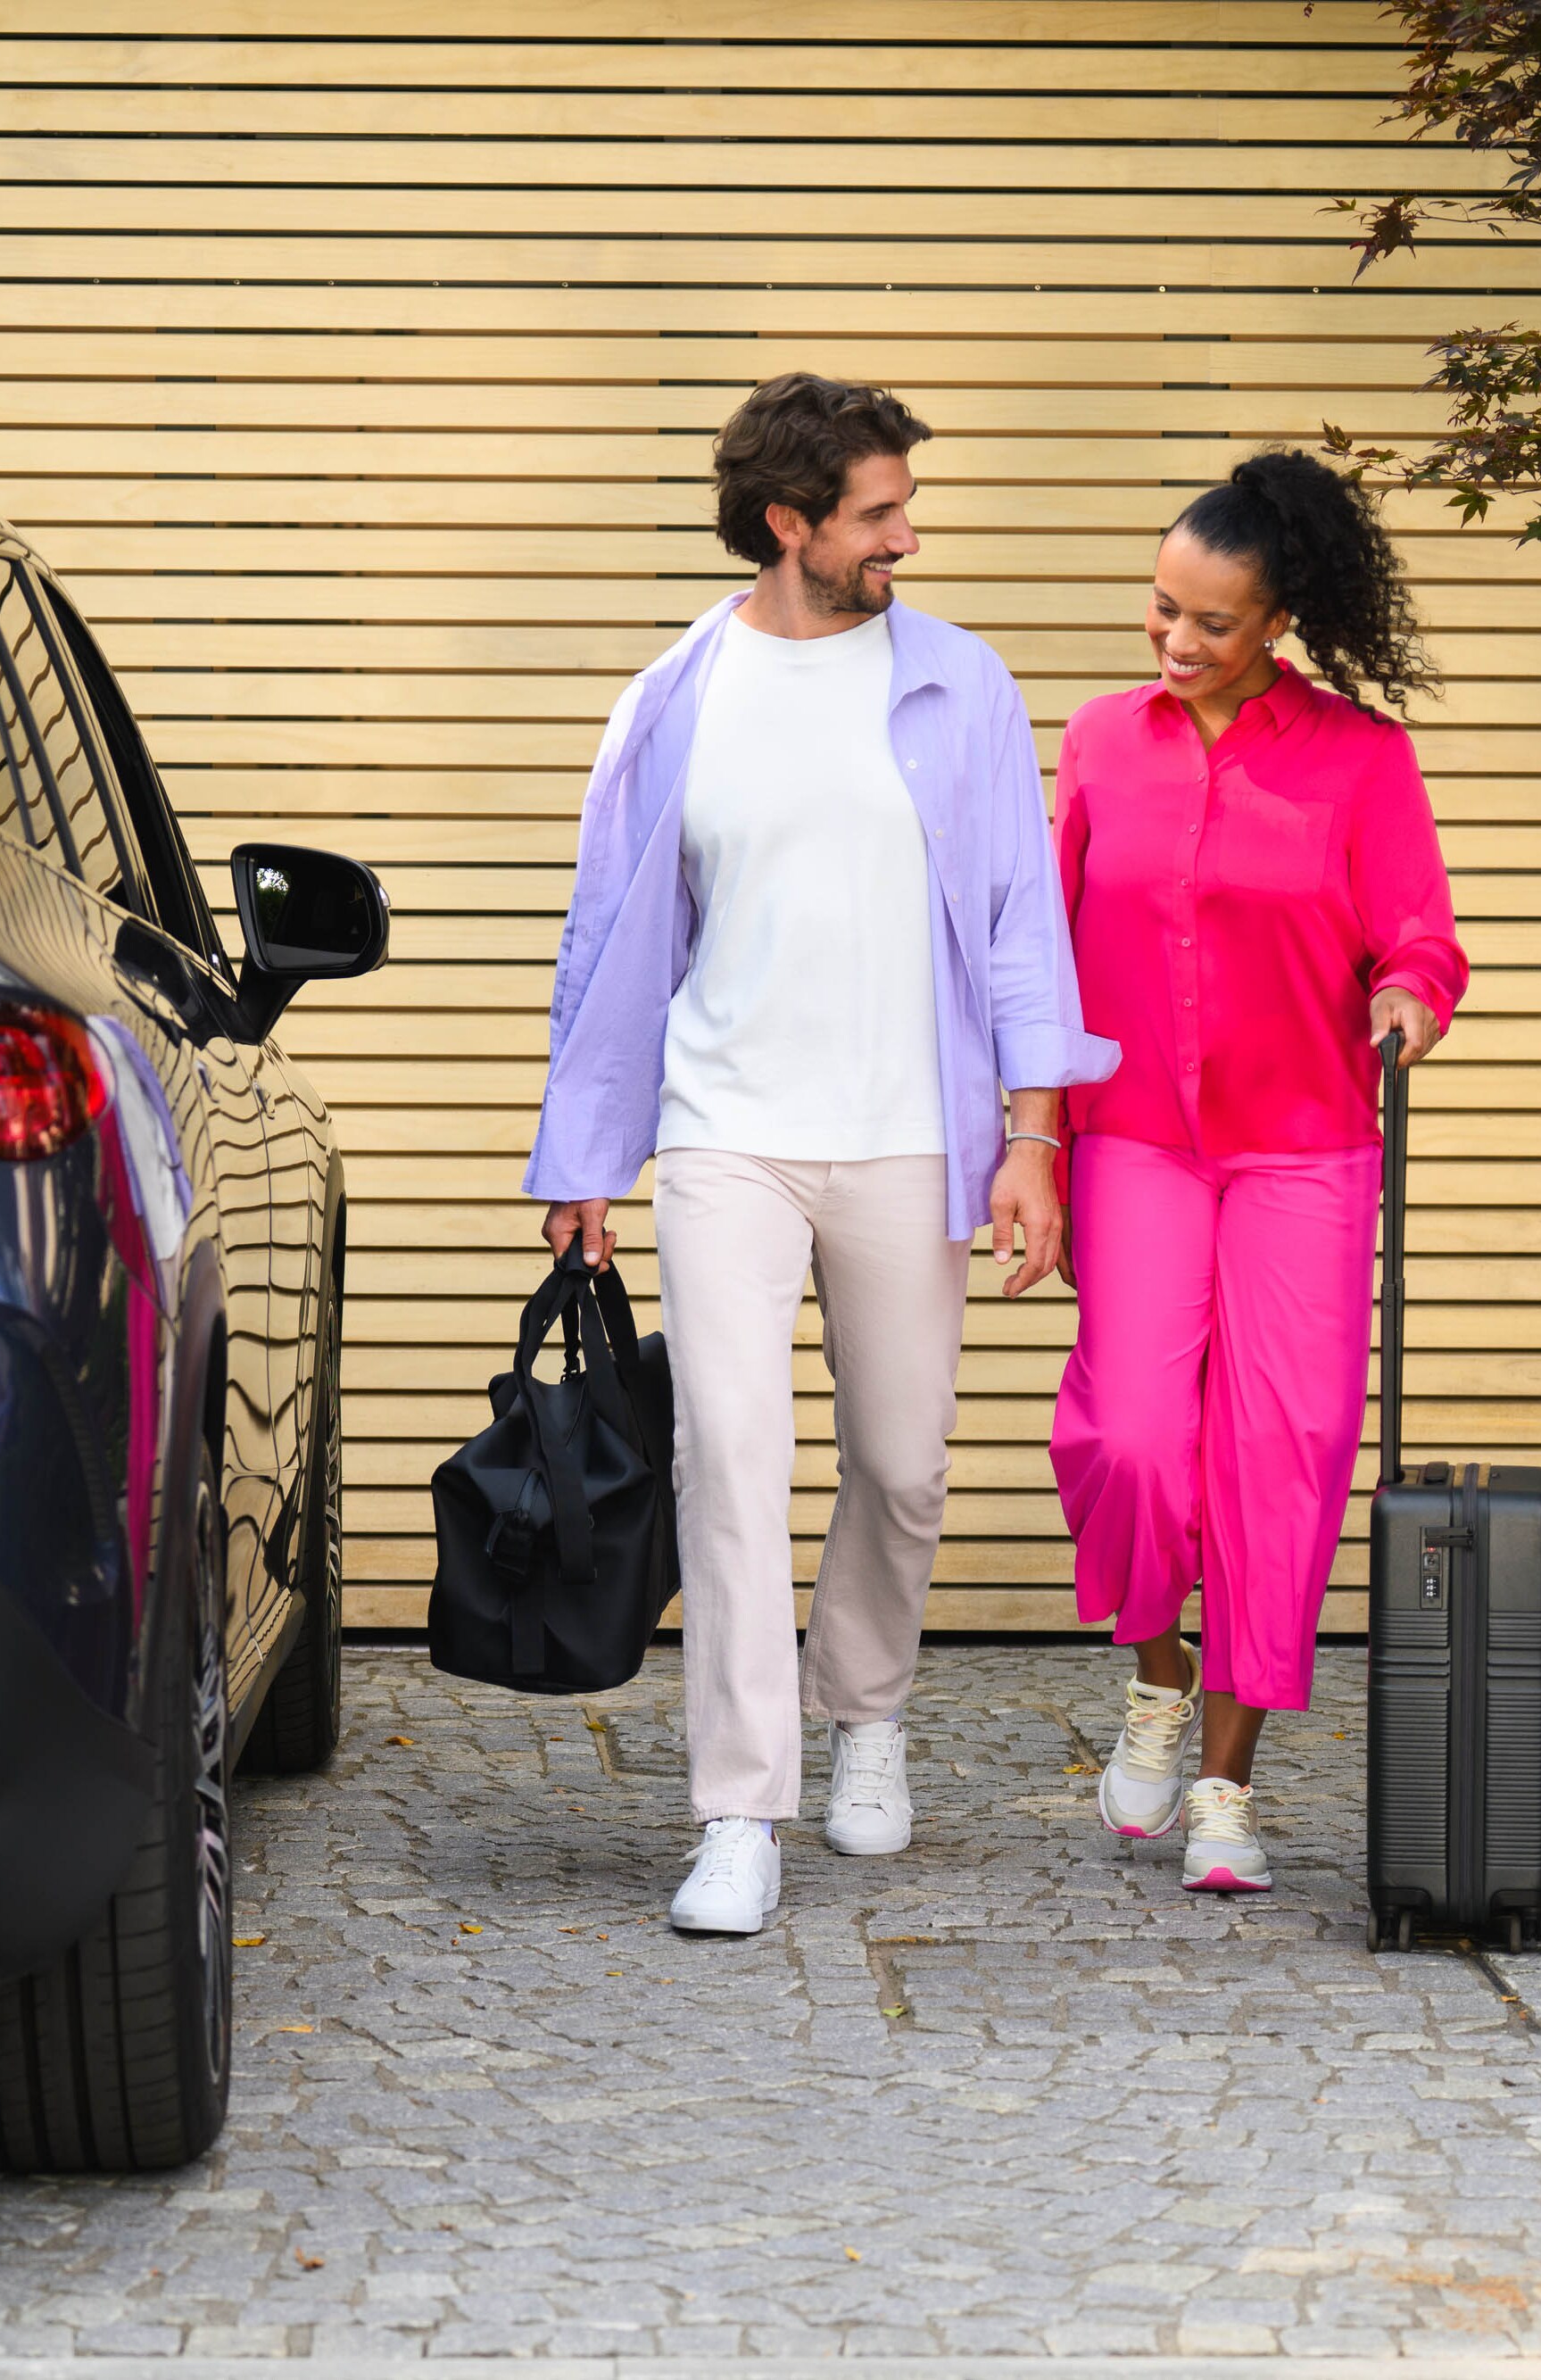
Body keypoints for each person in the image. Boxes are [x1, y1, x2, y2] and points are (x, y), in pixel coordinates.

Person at [526, 373, 1120, 1936]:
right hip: (731, 1136)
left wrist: (1034, 1135)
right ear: (791, 523)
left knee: (901, 1463)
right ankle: (738, 1808)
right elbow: (614, 945)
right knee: (728, 1462)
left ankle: (866, 1712)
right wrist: (587, 1158)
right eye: (879, 511)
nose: (906, 535)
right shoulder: (672, 700)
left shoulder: (959, 688)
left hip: (913, 1134)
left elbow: (1018, 926)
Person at [1046, 449, 1467, 1896]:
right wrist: (1027, 1139)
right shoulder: (1101, 741)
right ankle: (1157, 1671)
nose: (1173, 640)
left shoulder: (1361, 758)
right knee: (1133, 1442)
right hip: (1137, 1140)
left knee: (1278, 1464)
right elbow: (1043, 956)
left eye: (1209, 622)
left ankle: (1226, 1784)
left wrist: (1413, 994)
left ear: (1277, 622)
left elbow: (1422, 932)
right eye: (1160, 607)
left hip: (1306, 1148)